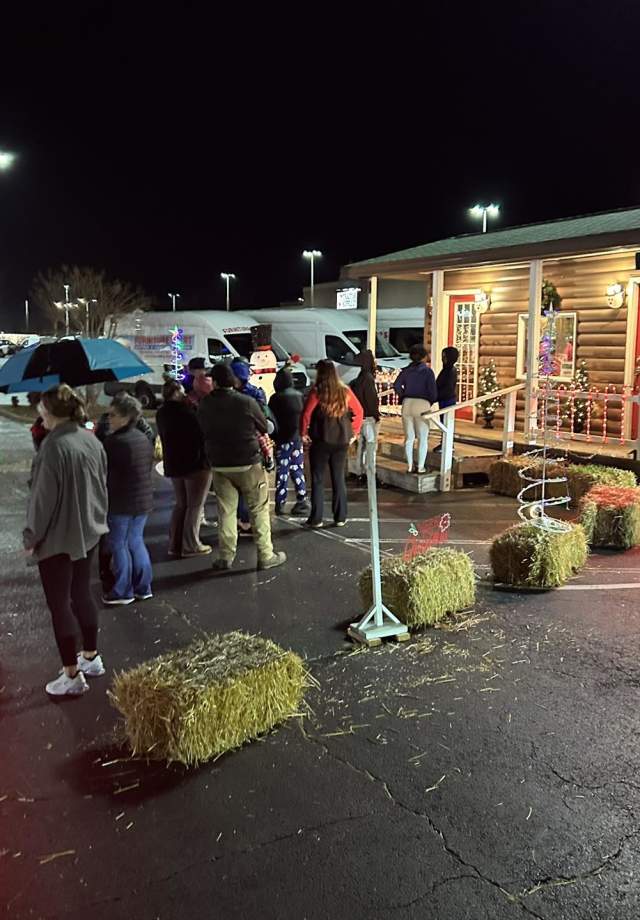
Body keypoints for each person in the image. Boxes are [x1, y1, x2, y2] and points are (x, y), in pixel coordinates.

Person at [23, 384, 108, 697]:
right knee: (82, 594)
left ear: (50, 412)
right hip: (89, 533)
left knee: (59, 605)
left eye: (42, 410)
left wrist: (31, 536)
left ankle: (71, 675)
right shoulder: (90, 440)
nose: (39, 415)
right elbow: (102, 485)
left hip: (59, 539)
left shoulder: (53, 448)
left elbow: (42, 502)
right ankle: (90, 657)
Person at [197, 363, 286, 572]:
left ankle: (226, 557)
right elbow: (264, 426)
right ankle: (266, 555)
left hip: (219, 464)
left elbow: (200, 427)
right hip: (248, 463)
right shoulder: (246, 402)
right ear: (233, 381)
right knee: (258, 509)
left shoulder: (205, 404)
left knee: (226, 511)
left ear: (216, 382)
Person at [102, 394, 154, 605]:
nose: (109, 419)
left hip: (121, 501)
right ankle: (143, 586)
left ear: (125, 417)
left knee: (119, 544)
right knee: (136, 542)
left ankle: (123, 590)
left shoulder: (114, 442)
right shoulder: (142, 438)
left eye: (113, 415)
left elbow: (104, 471)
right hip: (142, 501)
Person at [300, 359, 364, 528]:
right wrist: (354, 432)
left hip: (321, 440)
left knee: (318, 479)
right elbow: (359, 411)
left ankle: (317, 518)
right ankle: (340, 516)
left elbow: (306, 414)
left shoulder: (317, 392)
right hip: (341, 440)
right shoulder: (345, 391)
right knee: (338, 478)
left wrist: (303, 433)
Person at [155, 378, 212, 558]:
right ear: (176, 393)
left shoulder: (161, 413)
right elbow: (201, 434)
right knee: (195, 505)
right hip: (195, 464)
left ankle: (175, 544)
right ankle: (191, 545)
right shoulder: (187, 413)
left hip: (174, 464)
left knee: (181, 504)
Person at [230, 357, 275, 536]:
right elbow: (265, 423)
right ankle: (249, 523)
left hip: (228, 449)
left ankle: (237, 523)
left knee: (233, 493)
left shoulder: (224, 395)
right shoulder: (256, 394)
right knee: (253, 491)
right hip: (251, 447)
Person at [268, 367, 309, 516]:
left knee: (282, 471)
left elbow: (271, 419)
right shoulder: (299, 395)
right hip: (296, 438)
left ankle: (280, 502)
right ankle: (302, 499)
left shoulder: (275, 398)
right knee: (297, 469)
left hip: (282, 438)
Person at [393, 344, 437, 474]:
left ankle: (410, 466)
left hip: (407, 403)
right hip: (422, 404)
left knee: (409, 437)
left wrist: (403, 395)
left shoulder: (405, 370)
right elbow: (433, 392)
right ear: (424, 357)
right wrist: (430, 400)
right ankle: (421, 467)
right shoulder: (427, 371)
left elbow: (396, 385)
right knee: (423, 437)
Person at [350, 349, 381, 478]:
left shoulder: (359, 378)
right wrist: (376, 415)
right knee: (370, 446)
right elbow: (371, 399)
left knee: (361, 446)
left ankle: (359, 472)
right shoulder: (368, 378)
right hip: (368, 417)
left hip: (360, 417)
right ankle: (370, 473)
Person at [434, 346, 459, 452]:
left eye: (444, 356)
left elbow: (447, 388)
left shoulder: (450, 371)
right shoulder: (446, 370)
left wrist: (435, 396)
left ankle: (448, 444)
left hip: (447, 400)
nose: (442, 358)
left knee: (446, 422)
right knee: (443, 422)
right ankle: (445, 442)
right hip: (444, 399)